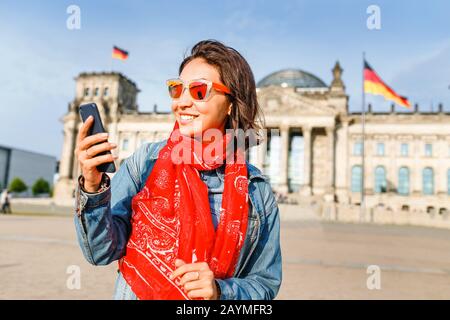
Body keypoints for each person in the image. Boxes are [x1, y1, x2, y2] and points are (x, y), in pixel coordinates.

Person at [74, 40, 282, 300]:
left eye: (198, 91)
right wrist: (92, 188)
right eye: (176, 89)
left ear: (230, 103)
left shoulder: (257, 191)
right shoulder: (145, 163)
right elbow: (99, 251)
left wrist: (221, 292)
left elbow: (265, 283)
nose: (181, 102)